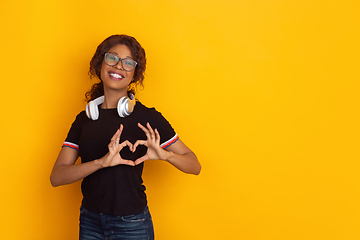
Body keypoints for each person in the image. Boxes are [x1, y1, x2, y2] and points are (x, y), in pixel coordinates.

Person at [50, 34, 201, 240]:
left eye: (128, 63)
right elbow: (57, 177)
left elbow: (194, 166)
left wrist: (167, 155)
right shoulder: (84, 119)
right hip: (89, 221)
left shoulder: (147, 117)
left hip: (132, 224)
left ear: (134, 74)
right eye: (113, 58)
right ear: (100, 64)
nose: (119, 66)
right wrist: (100, 163)